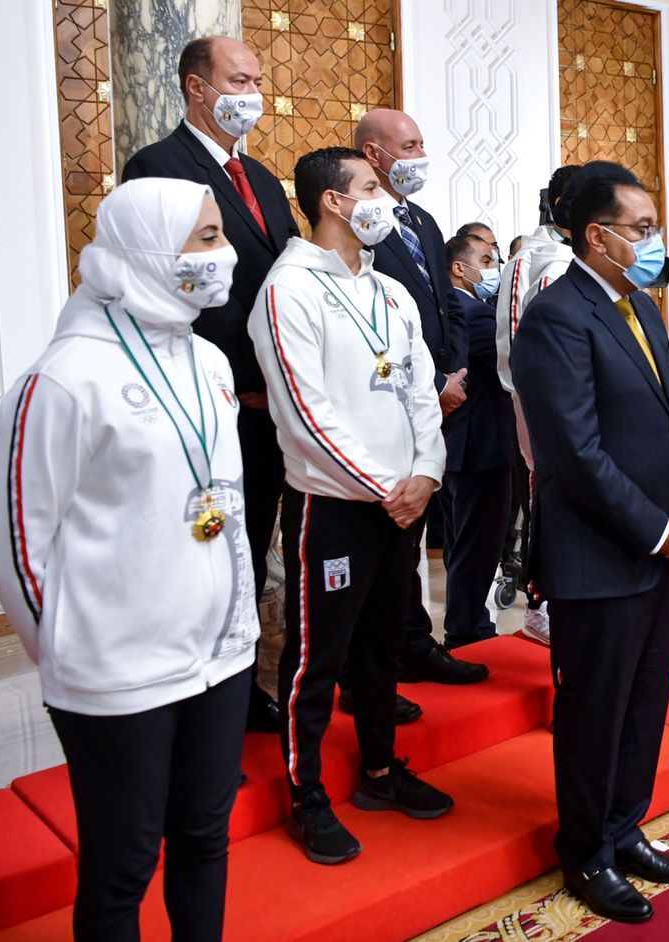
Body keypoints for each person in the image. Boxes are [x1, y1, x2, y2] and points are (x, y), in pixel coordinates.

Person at [0, 179, 257, 940]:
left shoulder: (210, 361)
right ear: (146, 249)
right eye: (207, 237)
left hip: (221, 656)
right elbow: (12, 543)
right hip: (117, 675)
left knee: (204, 839)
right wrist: (73, 649)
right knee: (123, 866)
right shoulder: (65, 377)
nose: (226, 254)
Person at [511, 161, 669, 923]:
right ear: (597, 236)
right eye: (642, 229)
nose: (654, 242)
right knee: (595, 713)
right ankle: (587, 850)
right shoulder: (556, 317)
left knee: (643, 704)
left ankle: (626, 829)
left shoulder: (640, 308)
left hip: (657, 548)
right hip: (600, 554)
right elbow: (574, 454)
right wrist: (657, 531)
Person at [249, 147, 453, 866]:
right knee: (317, 655)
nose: (384, 200)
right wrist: (386, 487)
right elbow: (306, 413)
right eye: (369, 187)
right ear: (333, 202)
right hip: (336, 504)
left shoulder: (390, 290)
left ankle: (380, 771)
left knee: (381, 646)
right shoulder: (288, 290)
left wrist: (425, 471)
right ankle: (307, 794)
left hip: (402, 501)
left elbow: (421, 389)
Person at [122, 35, 300, 734]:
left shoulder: (261, 177)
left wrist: (278, 377)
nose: (253, 94)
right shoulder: (158, 165)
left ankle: (246, 678)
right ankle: (205, 692)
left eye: (257, 80)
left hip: (270, 401)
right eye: (239, 80)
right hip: (212, 398)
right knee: (209, 548)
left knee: (252, 547)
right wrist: (237, 379)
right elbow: (172, 288)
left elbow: (281, 282)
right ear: (197, 88)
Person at [352, 108, 488, 688]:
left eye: (421, 144)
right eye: (408, 146)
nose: (420, 156)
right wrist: (430, 388)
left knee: (418, 530)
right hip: (390, 398)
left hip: (438, 394)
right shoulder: (361, 225)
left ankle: (413, 640)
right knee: (389, 534)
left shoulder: (423, 221)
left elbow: (447, 304)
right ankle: (379, 657)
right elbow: (367, 321)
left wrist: (452, 372)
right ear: (374, 154)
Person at [495, 164, 582, 646]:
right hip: (544, 403)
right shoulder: (539, 261)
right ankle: (540, 603)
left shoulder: (571, 256)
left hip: (575, 405)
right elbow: (519, 341)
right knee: (545, 498)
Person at [440, 233, 518, 647]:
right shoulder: (474, 313)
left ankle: (466, 624)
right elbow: (514, 364)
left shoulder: (446, 309)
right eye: (486, 260)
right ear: (459, 268)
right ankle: (469, 630)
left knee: (462, 544)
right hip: (481, 447)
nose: (493, 269)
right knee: (479, 545)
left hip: (457, 446)